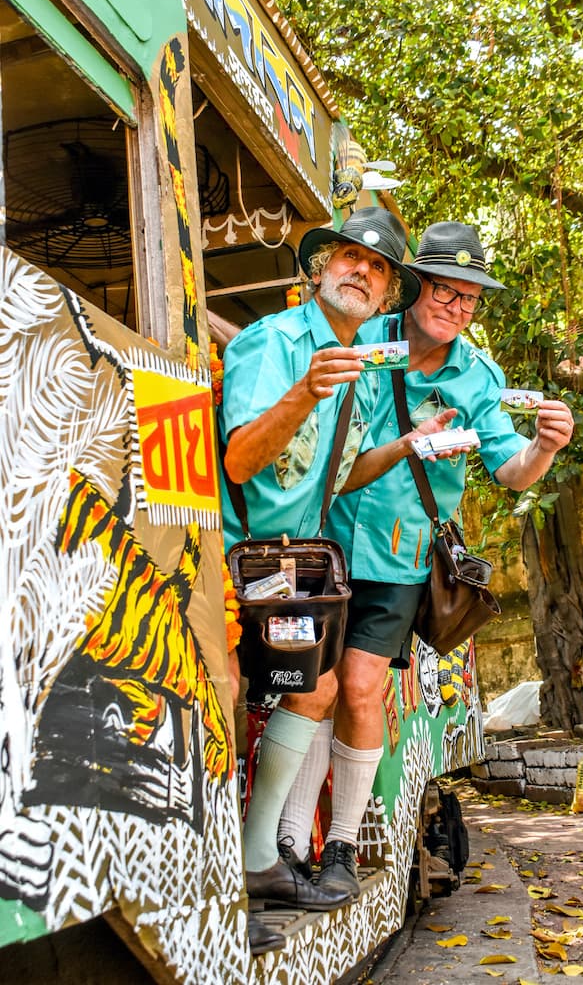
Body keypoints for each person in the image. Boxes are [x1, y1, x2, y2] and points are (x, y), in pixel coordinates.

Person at [278, 221, 574, 898]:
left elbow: (510, 470)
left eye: (470, 299)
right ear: (413, 287)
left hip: (398, 557)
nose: (458, 308)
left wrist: (546, 448)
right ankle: (289, 844)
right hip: (317, 539)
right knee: (307, 690)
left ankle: (342, 848)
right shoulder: (357, 334)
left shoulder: (479, 376)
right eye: (446, 290)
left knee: (356, 690)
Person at [219, 206, 422, 933]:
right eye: (348, 257)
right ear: (317, 269)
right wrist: (304, 389)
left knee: (316, 685)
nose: (360, 271)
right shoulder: (269, 343)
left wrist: (408, 446)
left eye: (377, 268)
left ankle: (254, 860)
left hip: (289, 566)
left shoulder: (365, 368)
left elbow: (334, 480)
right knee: (244, 694)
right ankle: (233, 875)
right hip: (232, 556)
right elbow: (241, 460)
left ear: (387, 292)